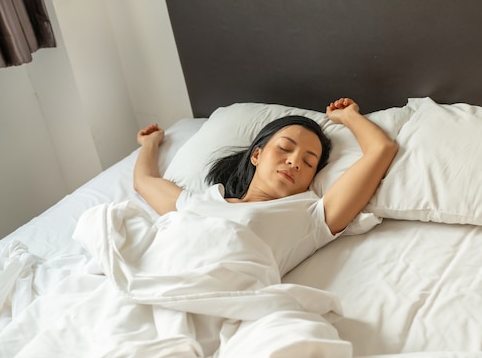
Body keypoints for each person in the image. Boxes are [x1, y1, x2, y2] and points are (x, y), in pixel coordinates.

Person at [133, 97, 398, 274]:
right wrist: (151, 144)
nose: (294, 162)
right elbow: (145, 181)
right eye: (285, 148)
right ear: (257, 155)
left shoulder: (312, 216)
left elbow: (381, 149)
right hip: (161, 272)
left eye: (308, 162)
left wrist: (349, 117)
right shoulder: (201, 202)